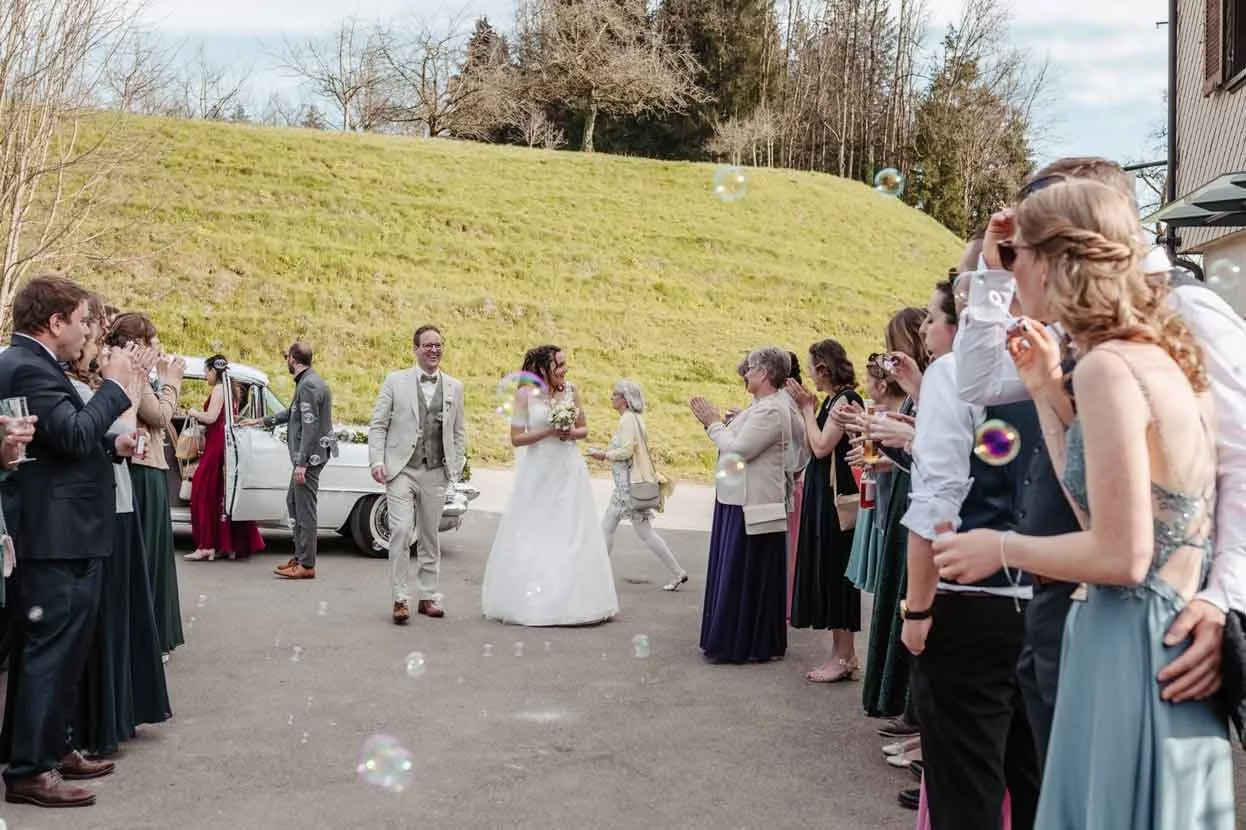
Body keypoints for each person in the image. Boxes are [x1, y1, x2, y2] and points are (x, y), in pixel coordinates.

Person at [935, 178, 1234, 828]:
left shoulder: (1105, 369)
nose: (1013, 274)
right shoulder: (1160, 356)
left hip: (1126, 635)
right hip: (1161, 633)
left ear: (1051, 261)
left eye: (1017, 257)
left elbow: (1122, 555)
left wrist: (1000, 547)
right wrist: (1045, 389)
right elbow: (1097, 513)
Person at [900, 275, 1040, 828]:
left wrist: (917, 609)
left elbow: (935, 503)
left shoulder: (956, 372)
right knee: (1035, 780)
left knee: (965, 787)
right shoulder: (1057, 365)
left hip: (970, 596)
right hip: (1050, 595)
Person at [0, 275, 137, 808]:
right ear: (54, 322)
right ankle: (31, 770)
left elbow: (69, 434)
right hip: (54, 538)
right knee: (49, 651)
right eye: (82, 322)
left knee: (61, 649)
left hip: (65, 534)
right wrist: (117, 389)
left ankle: (50, 747)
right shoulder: (27, 366)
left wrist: (112, 438)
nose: (86, 334)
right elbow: (73, 433)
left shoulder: (34, 366)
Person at [67, 298, 170, 759]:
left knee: (125, 608)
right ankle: (91, 724)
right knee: (106, 614)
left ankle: (120, 710)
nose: (94, 342)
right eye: (90, 333)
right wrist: (136, 381)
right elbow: (132, 426)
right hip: (104, 504)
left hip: (120, 495)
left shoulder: (99, 379)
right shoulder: (84, 384)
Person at [482, 345, 618, 626]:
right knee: (536, 531)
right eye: (559, 365)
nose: (564, 370)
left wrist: (570, 434)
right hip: (538, 471)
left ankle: (574, 601)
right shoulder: (524, 395)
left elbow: (584, 428)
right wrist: (549, 431)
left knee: (572, 532)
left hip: (569, 470)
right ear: (544, 368)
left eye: (565, 364)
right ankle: (535, 600)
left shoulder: (571, 390)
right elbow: (516, 438)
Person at [691, 346, 808, 663]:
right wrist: (719, 424)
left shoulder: (771, 410)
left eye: (751, 368)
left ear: (766, 373)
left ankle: (742, 641)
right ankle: (743, 639)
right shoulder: (760, 406)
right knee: (743, 572)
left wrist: (713, 423)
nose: (745, 373)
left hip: (752, 504)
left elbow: (738, 451)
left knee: (745, 574)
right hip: (740, 500)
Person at [368, 325, 467, 623]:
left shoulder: (454, 387)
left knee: (429, 536)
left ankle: (428, 596)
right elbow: (378, 424)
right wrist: (377, 461)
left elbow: (459, 430)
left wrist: (457, 464)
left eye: (438, 345)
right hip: (401, 469)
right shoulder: (395, 381)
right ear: (415, 349)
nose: (434, 350)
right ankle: (400, 598)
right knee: (399, 531)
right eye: (428, 345)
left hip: (436, 470)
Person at [108, 313, 185, 660]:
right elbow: (160, 415)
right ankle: (149, 636)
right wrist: (172, 381)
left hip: (146, 466)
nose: (160, 349)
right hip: (143, 468)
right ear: (138, 346)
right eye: (154, 342)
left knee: (150, 554)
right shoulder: (130, 375)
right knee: (149, 556)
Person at [787, 339, 863, 682]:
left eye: (813, 368)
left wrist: (806, 407)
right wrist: (809, 409)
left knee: (837, 575)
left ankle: (845, 655)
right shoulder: (832, 400)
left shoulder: (846, 400)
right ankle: (840, 652)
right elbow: (810, 442)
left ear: (824, 368)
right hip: (823, 496)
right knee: (830, 573)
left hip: (836, 502)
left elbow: (820, 447)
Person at [242, 342, 335, 580]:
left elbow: (310, 426)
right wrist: (260, 421)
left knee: (304, 508)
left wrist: (302, 463)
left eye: (287, 357)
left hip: (309, 458)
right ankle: (300, 556)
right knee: (294, 501)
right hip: (310, 456)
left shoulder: (308, 386)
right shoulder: (309, 382)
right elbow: (292, 414)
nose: (286, 360)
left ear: (293, 359)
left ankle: (306, 563)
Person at [589, 379, 687, 591]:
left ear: (624, 399)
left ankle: (677, 572)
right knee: (612, 526)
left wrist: (604, 455)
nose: (611, 397)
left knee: (637, 531)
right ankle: (598, 572)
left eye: (615, 394)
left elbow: (626, 451)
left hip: (628, 487)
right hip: (627, 485)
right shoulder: (636, 419)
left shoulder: (627, 420)